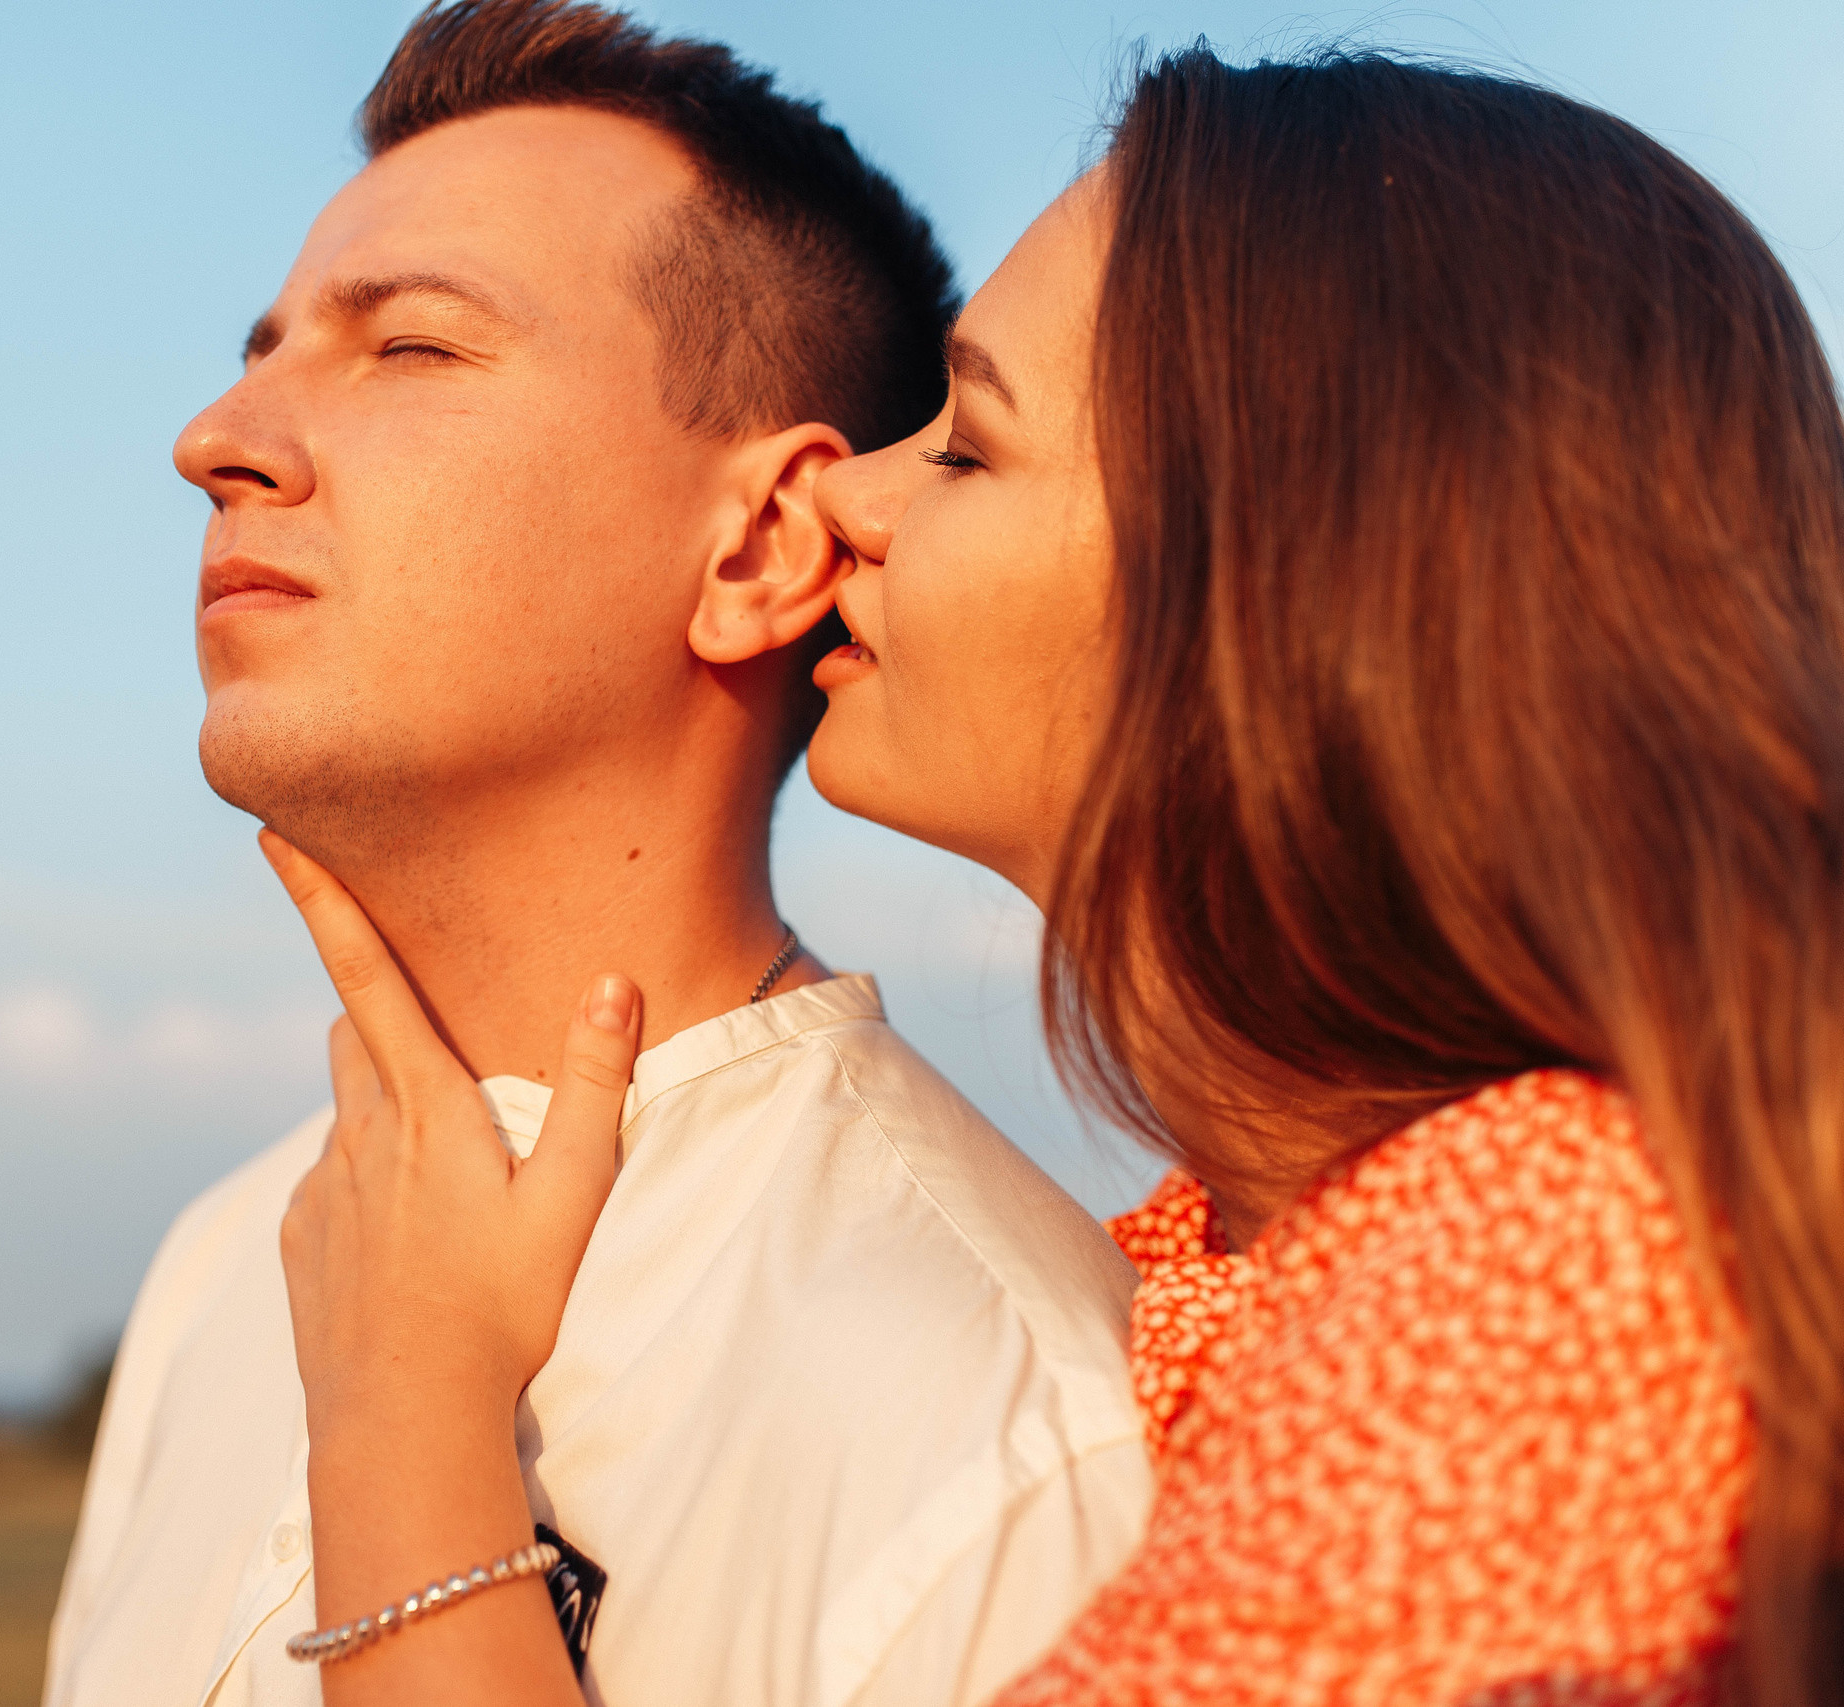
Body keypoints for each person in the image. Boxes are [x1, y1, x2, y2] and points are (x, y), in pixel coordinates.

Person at [267, 44, 1844, 1707]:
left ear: (1272, 599)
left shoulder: (1545, 1297)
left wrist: (409, 1438)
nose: (849, 497)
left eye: (968, 450)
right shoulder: (1234, 1271)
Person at [42, 6, 1158, 1706]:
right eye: (263, 348)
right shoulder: (234, 1258)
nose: (218, 436)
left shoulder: (1016, 1434)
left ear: (766, 545)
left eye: (407, 347)